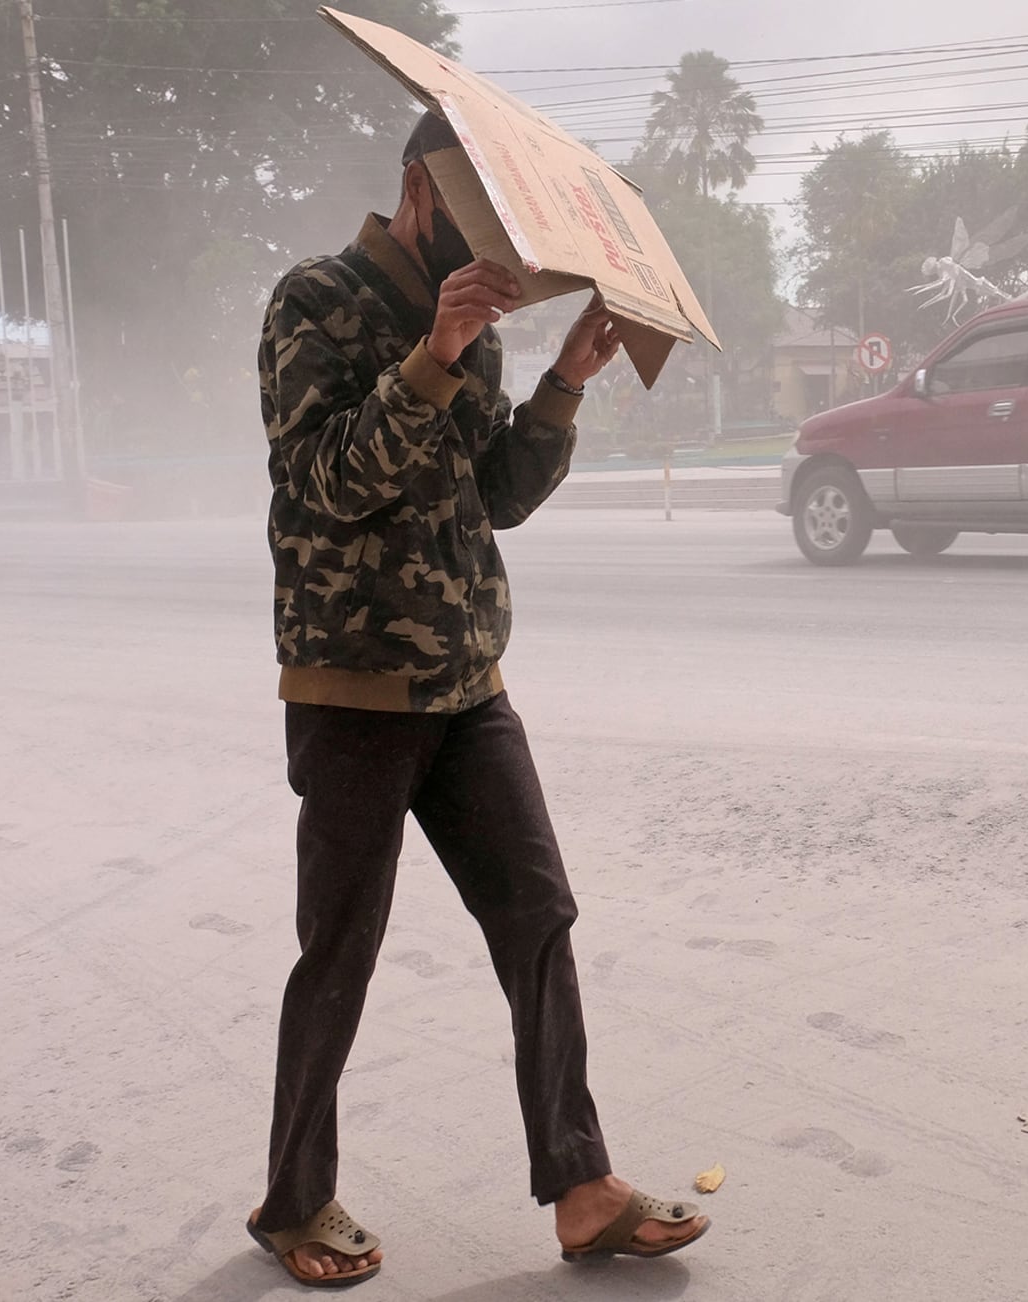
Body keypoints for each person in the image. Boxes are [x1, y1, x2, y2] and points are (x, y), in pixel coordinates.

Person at [244, 110, 709, 1289]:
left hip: (466, 684)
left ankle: (581, 1188)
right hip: (354, 689)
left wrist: (561, 379)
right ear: (420, 188)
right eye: (476, 210)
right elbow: (324, 483)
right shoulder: (314, 301)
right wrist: (432, 354)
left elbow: (491, 496)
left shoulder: (487, 325)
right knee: (338, 947)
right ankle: (295, 1203)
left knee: (537, 915)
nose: (496, 244)